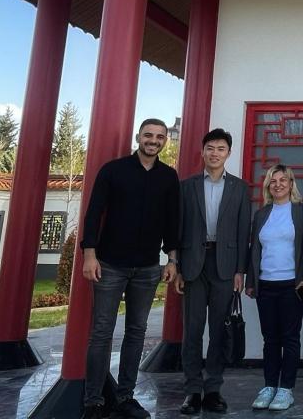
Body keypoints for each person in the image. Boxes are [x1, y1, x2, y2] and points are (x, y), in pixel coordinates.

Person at [79, 118, 180, 419]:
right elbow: (93, 213)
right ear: (138, 136)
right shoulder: (113, 170)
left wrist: (172, 259)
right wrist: (89, 254)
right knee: (102, 332)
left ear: (165, 141)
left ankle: (125, 397)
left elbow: (172, 221)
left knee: (136, 332)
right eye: (148, 135)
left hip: (147, 268)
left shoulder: (168, 176)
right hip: (109, 264)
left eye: (159, 137)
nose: (153, 140)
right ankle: (93, 402)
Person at [175, 128, 252, 416]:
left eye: (221, 148)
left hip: (225, 265)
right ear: (203, 151)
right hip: (193, 264)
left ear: (228, 153)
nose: (215, 153)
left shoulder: (239, 188)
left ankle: (213, 390)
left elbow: (244, 230)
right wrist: (177, 266)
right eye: (210, 148)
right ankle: (192, 390)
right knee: (192, 331)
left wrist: (241, 270)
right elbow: (178, 228)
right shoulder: (187, 186)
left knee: (219, 330)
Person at [246, 165, 303, 412]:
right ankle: (269, 386)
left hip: (293, 285)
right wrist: (251, 281)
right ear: (268, 185)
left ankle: (286, 389)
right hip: (266, 284)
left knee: (290, 337)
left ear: (291, 183)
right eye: (273, 181)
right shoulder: (261, 214)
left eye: (283, 180)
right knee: (270, 339)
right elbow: (254, 249)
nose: (278, 184)